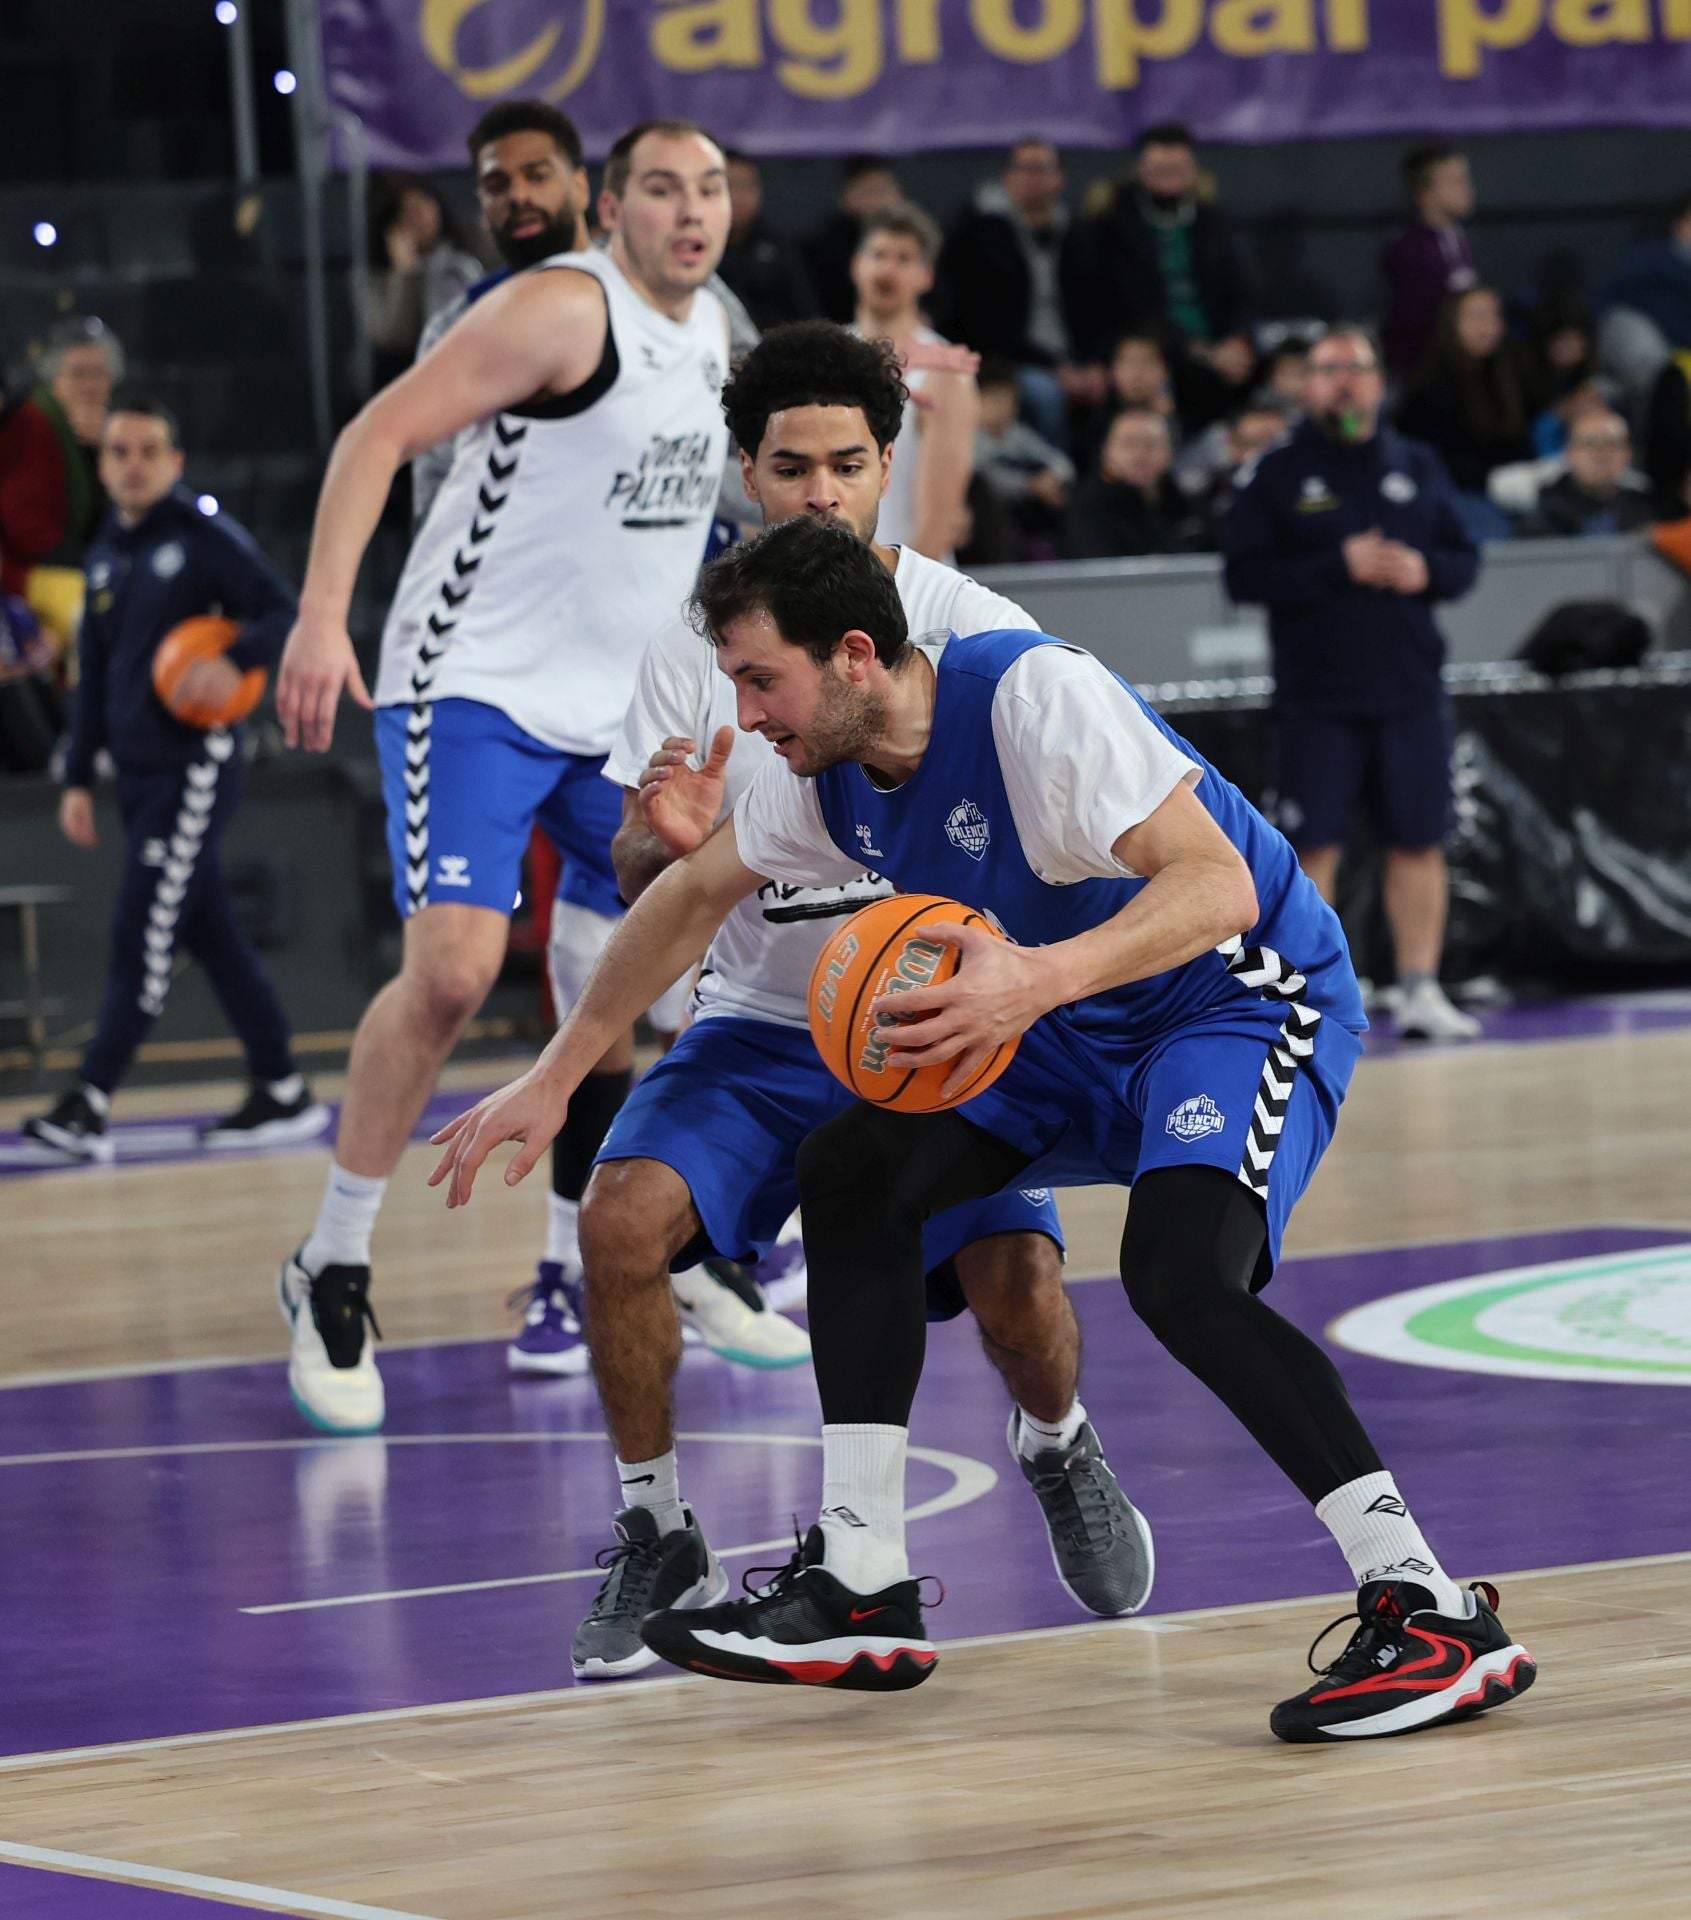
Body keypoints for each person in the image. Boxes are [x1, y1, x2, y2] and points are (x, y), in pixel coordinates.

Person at [431, 512, 1535, 1743]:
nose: (743, 714)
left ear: (853, 654)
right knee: (848, 1164)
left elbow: (1212, 884)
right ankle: (860, 1579)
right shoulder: (821, 775)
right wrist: (553, 1075)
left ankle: (1430, 1609)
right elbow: (689, 893)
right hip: (1061, 1012)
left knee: (1180, 1277)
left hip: (1228, 997)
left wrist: (1030, 982)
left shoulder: (1032, 697)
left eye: (759, 679)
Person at [564, 319, 1151, 1678]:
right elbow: (646, 867)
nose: (818, 492)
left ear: (884, 465)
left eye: (844, 463)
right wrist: (665, 834)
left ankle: (1057, 1444)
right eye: (789, 467)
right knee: (615, 1225)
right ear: (745, 473)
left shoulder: (977, 633)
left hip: (927, 1015)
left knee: (1015, 1296)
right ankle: (656, 1528)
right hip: (767, 1017)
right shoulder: (694, 644)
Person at [271, 121, 735, 1435]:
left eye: (708, 189)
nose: (688, 211)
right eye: (660, 188)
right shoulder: (554, 312)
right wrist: (320, 616)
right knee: (457, 971)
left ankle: (656, 1248)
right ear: (610, 207)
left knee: (690, 940)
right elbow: (372, 437)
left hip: (608, 716)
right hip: (466, 681)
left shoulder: (708, 338)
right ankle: (332, 1266)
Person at [22, 395, 325, 1160]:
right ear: (103, 463)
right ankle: (282, 1087)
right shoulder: (103, 553)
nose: (133, 464)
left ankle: (89, 1103)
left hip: (194, 768)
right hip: (134, 775)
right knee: (210, 931)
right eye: (119, 451)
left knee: (142, 932)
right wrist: (79, 778)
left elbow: (286, 611)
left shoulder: (203, 538)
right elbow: (91, 681)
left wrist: (235, 658)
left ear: (175, 461)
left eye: (148, 451)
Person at [1223, 325, 1482, 1043]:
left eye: (1356, 368)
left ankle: (1420, 988)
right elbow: (1242, 575)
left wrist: (1426, 571)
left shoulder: (1416, 463)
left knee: (1419, 842)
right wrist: (1338, 563)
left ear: (1377, 382)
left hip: (1410, 693)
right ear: (1305, 384)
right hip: (1317, 700)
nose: (1344, 381)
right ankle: (1312, 1000)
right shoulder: (1275, 472)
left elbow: (1464, 560)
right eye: (1328, 369)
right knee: (1312, 854)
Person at [410, 100, 594, 533]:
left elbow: (753, 432)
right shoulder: (456, 328)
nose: (518, 195)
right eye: (497, 183)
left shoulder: (658, 292)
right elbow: (435, 489)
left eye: (537, 175)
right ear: (481, 204)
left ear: (581, 186)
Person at [1062, 123, 1253, 420]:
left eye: (1177, 168)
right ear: (1139, 169)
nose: (1170, 177)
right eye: (1160, 169)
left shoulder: (1211, 221)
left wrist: (1238, 340)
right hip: (1153, 342)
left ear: (1193, 170)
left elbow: (1240, 291)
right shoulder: (1110, 224)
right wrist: (1197, 350)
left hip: (1217, 344)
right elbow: (1125, 304)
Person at [938, 138, 1095, 449]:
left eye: (1042, 169)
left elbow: (1101, 308)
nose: (1033, 178)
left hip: (1076, 358)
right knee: (1045, 394)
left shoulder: (1080, 235)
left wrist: (1097, 362)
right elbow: (986, 322)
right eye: (1024, 168)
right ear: (1007, 177)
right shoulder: (979, 237)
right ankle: (1056, 478)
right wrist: (1055, 366)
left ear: (1060, 178)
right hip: (1013, 359)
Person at [852, 203, 979, 562]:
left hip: (909, 586)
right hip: (837, 583)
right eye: (878, 254)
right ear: (857, 265)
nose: (888, 268)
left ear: (926, 276)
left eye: (904, 259)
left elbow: (939, 519)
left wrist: (896, 596)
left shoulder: (944, 370)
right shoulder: (825, 357)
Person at [1396, 285, 1534, 543]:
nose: (1487, 325)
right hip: (1455, 498)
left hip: (1509, 495)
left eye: (1494, 316)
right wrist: (1491, 480)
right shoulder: (1429, 390)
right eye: (1477, 316)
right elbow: (1427, 461)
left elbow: (1519, 445)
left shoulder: (1510, 382)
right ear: (1452, 324)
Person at [363, 172, 487, 388]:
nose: (420, 216)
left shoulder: (472, 246)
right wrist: (407, 273)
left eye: (425, 202)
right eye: (406, 211)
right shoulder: (379, 275)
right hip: (414, 376)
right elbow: (393, 337)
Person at [1380, 143, 1479, 378]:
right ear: (1425, 194)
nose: (1468, 189)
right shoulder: (1410, 249)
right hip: (1424, 374)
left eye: (1466, 179)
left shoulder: (1457, 237)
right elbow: (1415, 323)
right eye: (1456, 181)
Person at [1061, 407, 1211, 560]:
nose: (1140, 455)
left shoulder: (1188, 502)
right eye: (1129, 444)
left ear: (1169, 452)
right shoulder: (1088, 506)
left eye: (1150, 444)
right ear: (1107, 452)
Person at [718, 150, 815, 332]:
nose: (740, 195)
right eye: (731, 185)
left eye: (748, 185)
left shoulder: (780, 247)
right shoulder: (700, 251)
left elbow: (806, 314)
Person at [1520, 407, 1655, 537]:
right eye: (1589, 443)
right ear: (1569, 453)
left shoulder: (1647, 507)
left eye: (1611, 443)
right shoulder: (1544, 511)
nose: (1602, 453)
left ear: (1628, 453)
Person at [802, 154, 903, 324]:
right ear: (847, 197)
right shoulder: (830, 247)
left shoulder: (911, 236)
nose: (881, 200)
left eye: (885, 189)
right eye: (871, 191)